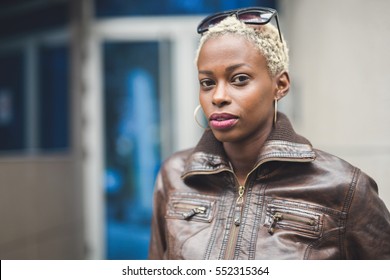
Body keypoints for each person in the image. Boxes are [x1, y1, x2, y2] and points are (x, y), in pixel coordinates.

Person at [148, 7, 390, 259]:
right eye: (207, 82)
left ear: (280, 85)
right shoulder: (175, 175)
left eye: (239, 79)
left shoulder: (344, 188)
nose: (218, 97)